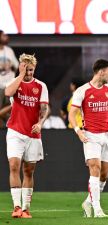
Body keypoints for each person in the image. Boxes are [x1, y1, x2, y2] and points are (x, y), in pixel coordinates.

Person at [69, 59, 108, 218]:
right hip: (90, 135)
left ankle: (88, 202)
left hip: (107, 135)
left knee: (105, 174)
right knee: (95, 168)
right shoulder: (82, 90)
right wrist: (78, 130)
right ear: (101, 72)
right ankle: (97, 209)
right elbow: (72, 113)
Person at [5, 53, 49, 218]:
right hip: (15, 131)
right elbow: (8, 93)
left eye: (30, 69)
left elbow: (44, 109)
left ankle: (25, 208)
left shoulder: (41, 86)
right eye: (25, 69)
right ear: (20, 67)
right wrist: (21, 75)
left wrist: (40, 123)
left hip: (33, 134)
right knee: (14, 166)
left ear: (34, 68)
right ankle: (16, 207)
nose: (28, 73)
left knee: (29, 171)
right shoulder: (15, 83)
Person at [0, 30, 18, 110]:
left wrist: (9, 65)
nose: (6, 37)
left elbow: (16, 66)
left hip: (9, 87)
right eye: (3, 35)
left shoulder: (9, 50)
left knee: (10, 111)